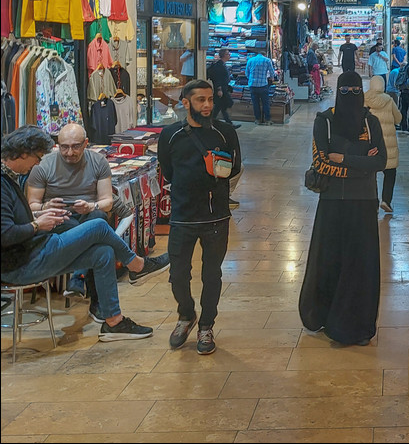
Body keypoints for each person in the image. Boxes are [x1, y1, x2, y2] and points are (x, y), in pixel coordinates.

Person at [2, 126, 168, 341]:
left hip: (33, 251)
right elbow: (5, 235)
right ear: (23, 153)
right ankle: (137, 265)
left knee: (103, 252)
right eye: (37, 157)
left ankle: (113, 323)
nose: (37, 163)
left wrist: (40, 217)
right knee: (98, 225)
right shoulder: (4, 183)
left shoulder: (9, 178)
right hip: (22, 263)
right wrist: (37, 224)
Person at [299, 71, 385, 345]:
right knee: (330, 261)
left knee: (360, 266)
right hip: (333, 203)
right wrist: (361, 163)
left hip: (363, 203)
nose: (350, 95)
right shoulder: (324, 121)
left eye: (354, 90)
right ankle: (325, 317)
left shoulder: (371, 122)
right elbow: (321, 163)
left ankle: (356, 326)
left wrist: (344, 159)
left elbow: (381, 161)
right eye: (344, 90)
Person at [159, 80, 242, 355]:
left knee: (212, 274)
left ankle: (206, 324)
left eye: (209, 99)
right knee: (178, 274)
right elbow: (168, 171)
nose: (207, 105)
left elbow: (235, 167)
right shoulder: (171, 135)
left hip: (215, 216)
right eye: (200, 100)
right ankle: (186, 315)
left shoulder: (225, 132)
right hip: (182, 215)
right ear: (186, 103)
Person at [25, 123, 114, 315]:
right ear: (57, 144)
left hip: (87, 215)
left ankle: (79, 278)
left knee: (98, 217)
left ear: (86, 144)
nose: (69, 152)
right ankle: (95, 299)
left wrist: (92, 206)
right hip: (56, 218)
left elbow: (107, 201)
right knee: (98, 241)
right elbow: (31, 206)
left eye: (75, 146)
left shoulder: (98, 161)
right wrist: (45, 207)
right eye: (64, 147)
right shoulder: (43, 165)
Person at [364, 75, 403, 213]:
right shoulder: (388, 100)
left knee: (371, 173)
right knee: (390, 172)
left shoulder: (364, 99)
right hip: (388, 144)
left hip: (370, 142)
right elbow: (398, 119)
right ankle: (386, 200)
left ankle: (373, 202)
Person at [246, 49, 277, 126]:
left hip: (252, 84)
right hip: (263, 84)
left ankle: (258, 119)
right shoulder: (267, 60)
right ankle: (267, 120)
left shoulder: (250, 60)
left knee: (255, 103)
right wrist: (272, 78)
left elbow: (247, 73)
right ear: (265, 54)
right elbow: (272, 72)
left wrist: (251, 79)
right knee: (265, 103)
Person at [208, 48, 238, 126]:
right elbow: (218, 78)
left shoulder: (223, 64)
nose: (229, 55)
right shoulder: (219, 65)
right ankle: (213, 121)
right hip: (221, 88)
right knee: (223, 104)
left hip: (224, 87)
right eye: (228, 54)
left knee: (220, 105)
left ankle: (226, 122)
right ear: (224, 55)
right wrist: (219, 89)